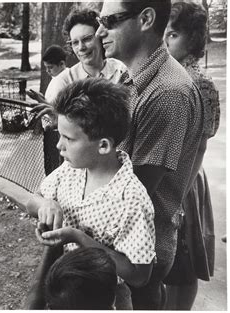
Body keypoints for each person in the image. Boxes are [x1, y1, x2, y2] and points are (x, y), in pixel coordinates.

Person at [96, 0, 204, 309]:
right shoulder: (135, 76)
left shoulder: (168, 92)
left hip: (139, 251)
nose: (100, 31)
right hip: (124, 241)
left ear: (145, 19)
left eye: (111, 20)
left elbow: (137, 188)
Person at [26, 78, 156, 309]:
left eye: (69, 138)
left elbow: (139, 275)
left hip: (105, 297)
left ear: (103, 145)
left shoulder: (132, 200)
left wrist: (78, 237)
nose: (59, 145)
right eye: (60, 135)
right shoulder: (70, 170)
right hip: (64, 285)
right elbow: (31, 202)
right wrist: (46, 204)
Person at [163, 2, 219, 310]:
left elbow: (199, 147)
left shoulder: (200, 83)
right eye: (164, 33)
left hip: (184, 180)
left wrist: (178, 198)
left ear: (193, 39)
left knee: (184, 263)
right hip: (163, 176)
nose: (166, 41)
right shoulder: (165, 75)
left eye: (173, 34)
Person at [31, 8, 127, 174]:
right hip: (81, 169)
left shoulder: (122, 71)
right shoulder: (63, 82)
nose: (81, 47)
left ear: (100, 36)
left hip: (119, 163)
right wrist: (58, 119)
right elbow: (56, 131)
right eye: (75, 42)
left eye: (87, 39)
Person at [27, 45, 68, 175]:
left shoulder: (62, 80)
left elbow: (55, 110)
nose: (48, 71)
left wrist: (39, 100)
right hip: (51, 128)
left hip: (56, 130)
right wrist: (40, 98)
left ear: (61, 64)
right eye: (46, 68)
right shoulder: (57, 77)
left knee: (55, 167)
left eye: (50, 67)